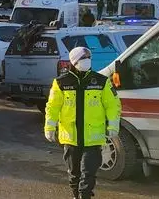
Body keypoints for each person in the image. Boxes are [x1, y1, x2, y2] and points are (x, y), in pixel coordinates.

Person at [45, 46, 121, 199]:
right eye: (82, 58)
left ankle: (84, 196)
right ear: (74, 62)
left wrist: (113, 126)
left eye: (88, 58)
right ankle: (76, 195)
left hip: (92, 139)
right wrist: (50, 127)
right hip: (70, 138)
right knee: (74, 174)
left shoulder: (101, 81)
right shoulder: (61, 82)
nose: (86, 61)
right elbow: (52, 107)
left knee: (88, 173)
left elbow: (113, 105)